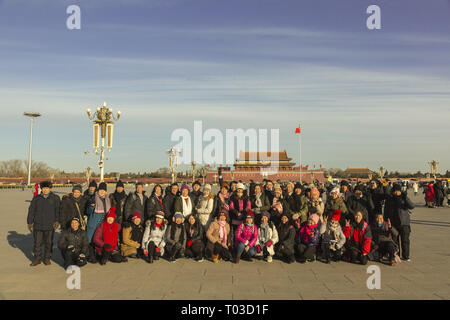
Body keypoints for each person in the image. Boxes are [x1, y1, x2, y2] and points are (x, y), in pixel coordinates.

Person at [27, 181, 61, 266]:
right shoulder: (36, 198)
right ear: (41, 189)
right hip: (38, 224)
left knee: (49, 243)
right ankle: (37, 259)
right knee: (37, 243)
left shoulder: (55, 198)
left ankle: (47, 258)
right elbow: (31, 210)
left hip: (50, 225)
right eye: (43, 188)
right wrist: (30, 222)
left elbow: (58, 210)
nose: (45, 190)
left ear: (50, 189)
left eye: (47, 188)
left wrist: (57, 221)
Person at [384, 184, 415, 261]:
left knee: (405, 240)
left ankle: (406, 256)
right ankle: (396, 254)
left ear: (400, 191)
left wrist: (405, 197)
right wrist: (386, 220)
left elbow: (412, 206)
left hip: (404, 222)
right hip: (393, 223)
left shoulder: (403, 198)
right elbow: (386, 210)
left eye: (398, 191)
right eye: (395, 191)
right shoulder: (389, 199)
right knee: (395, 240)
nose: (396, 193)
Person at [85, 182, 111, 263]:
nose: (102, 191)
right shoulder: (93, 198)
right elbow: (87, 211)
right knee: (91, 239)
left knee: (99, 239)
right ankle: (91, 256)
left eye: (104, 190)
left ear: (106, 191)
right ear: (98, 190)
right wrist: (91, 207)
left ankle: (98, 255)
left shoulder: (107, 199)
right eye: (100, 190)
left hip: (102, 223)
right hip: (93, 223)